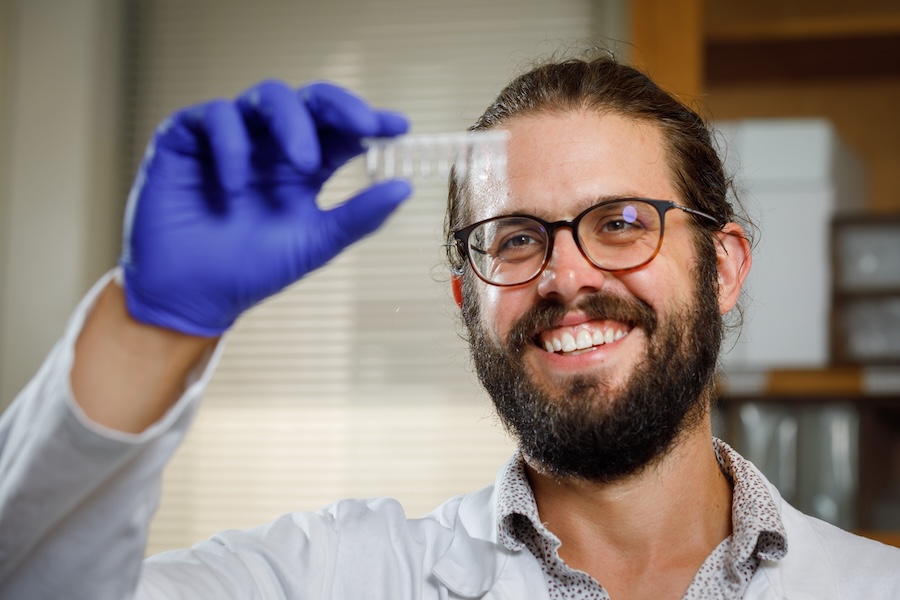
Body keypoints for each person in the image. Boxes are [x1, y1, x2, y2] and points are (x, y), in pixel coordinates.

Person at [0, 53, 897, 600]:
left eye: (621, 222)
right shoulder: (334, 578)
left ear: (724, 264)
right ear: (469, 300)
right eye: (514, 238)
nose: (566, 275)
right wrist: (153, 326)